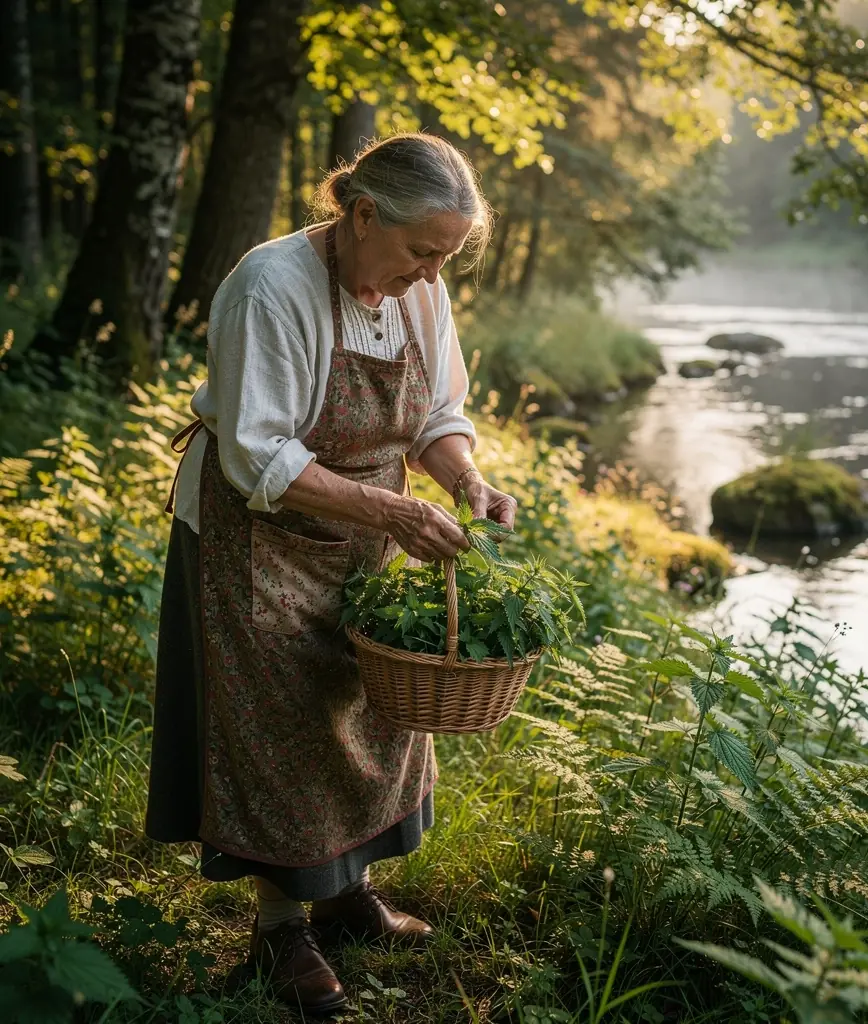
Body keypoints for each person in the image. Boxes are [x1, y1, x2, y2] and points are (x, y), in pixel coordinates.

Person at [145, 132, 517, 1015]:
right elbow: (257, 455)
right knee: (283, 722)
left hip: (364, 530)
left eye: (446, 259)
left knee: (363, 710)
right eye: (422, 253)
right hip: (256, 536)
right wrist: (390, 511)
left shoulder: (417, 295)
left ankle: (348, 894)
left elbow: (439, 414)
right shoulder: (269, 288)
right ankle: (281, 929)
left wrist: (464, 480)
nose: (431, 276)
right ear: (359, 216)